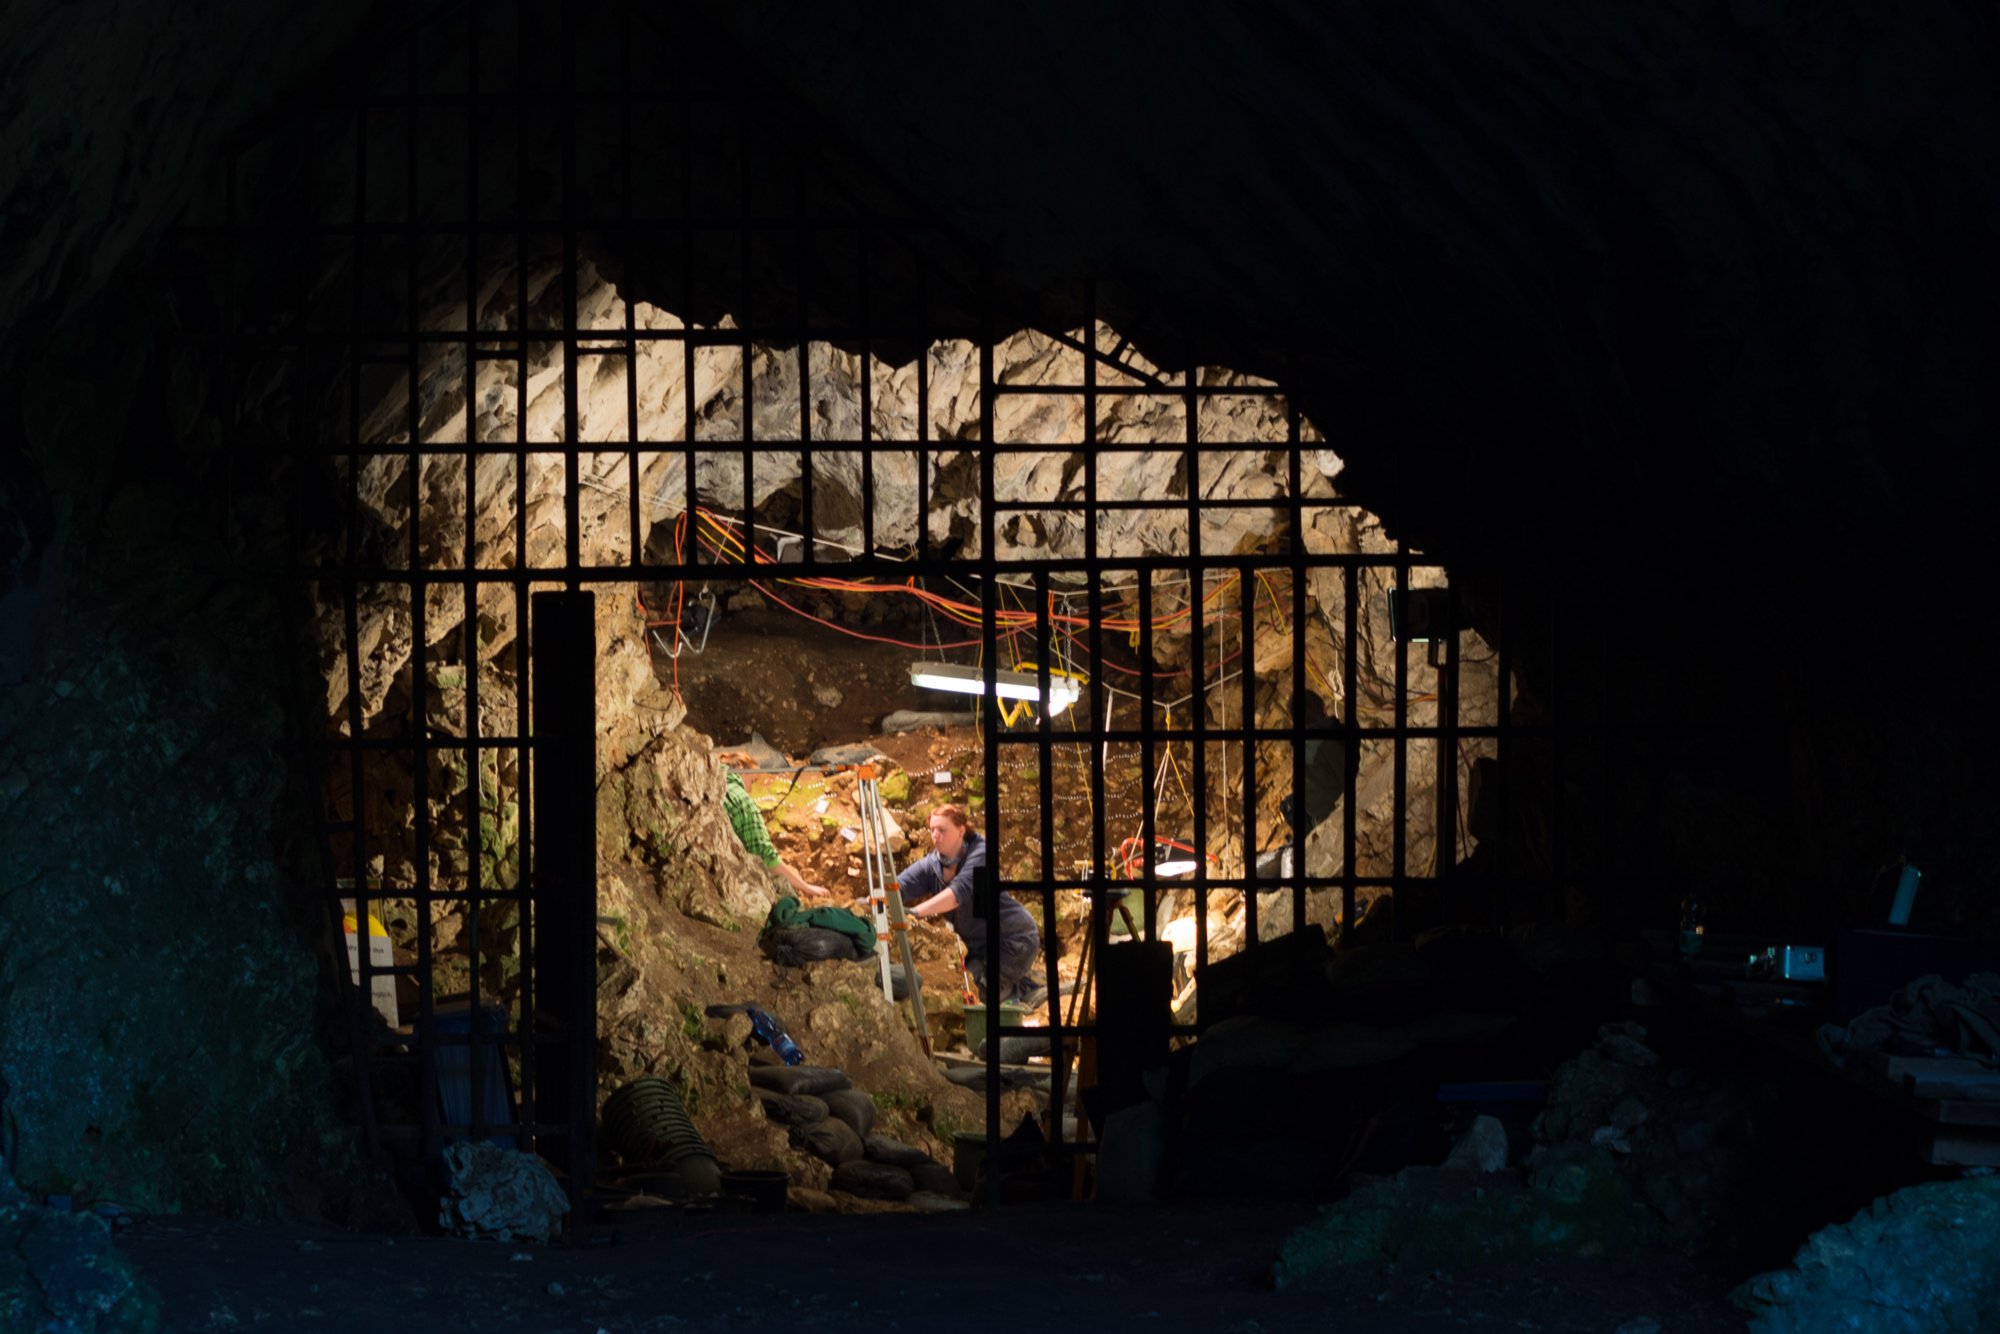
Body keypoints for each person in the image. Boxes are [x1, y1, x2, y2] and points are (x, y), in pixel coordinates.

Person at [898, 804, 1043, 1007]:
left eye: (942, 830)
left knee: (977, 996)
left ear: (961, 830)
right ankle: (1019, 981)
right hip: (978, 948)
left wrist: (915, 913)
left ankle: (1025, 990)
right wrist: (874, 900)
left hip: (1013, 941)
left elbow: (958, 893)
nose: (935, 835)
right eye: (932, 830)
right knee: (964, 986)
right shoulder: (933, 864)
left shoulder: (981, 854)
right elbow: (899, 885)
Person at [722, 767, 828, 899]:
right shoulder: (741, 800)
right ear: (743, 769)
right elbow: (764, 855)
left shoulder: (713, 783)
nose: (750, 789)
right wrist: (806, 888)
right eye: (752, 781)